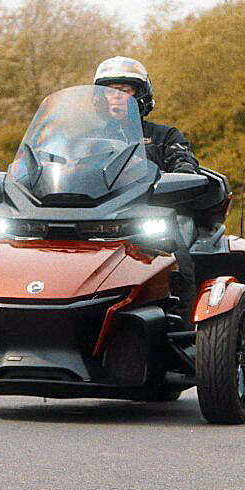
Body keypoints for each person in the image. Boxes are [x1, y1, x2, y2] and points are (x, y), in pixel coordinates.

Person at [93, 56, 202, 314]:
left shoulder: (164, 136)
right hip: (94, 220)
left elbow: (185, 164)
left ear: (140, 96)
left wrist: (181, 175)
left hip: (147, 219)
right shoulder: (85, 138)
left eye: (125, 90)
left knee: (180, 262)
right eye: (110, 91)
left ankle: (187, 334)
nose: (116, 96)